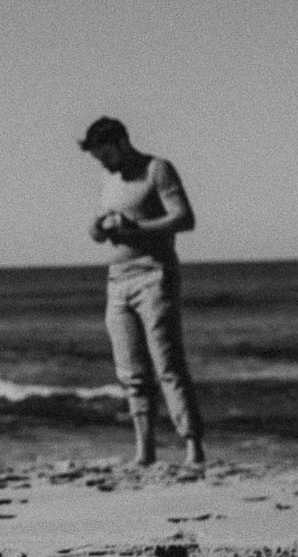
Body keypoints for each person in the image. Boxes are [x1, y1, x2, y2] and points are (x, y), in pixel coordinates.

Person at [80, 115, 205, 465]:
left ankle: (193, 445)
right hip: (117, 280)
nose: (102, 163)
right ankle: (144, 451)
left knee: (168, 364)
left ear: (121, 142)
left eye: (105, 155)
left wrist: (137, 229)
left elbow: (184, 218)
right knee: (131, 371)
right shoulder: (108, 179)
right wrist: (96, 228)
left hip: (154, 274)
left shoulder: (157, 169)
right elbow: (99, 233)